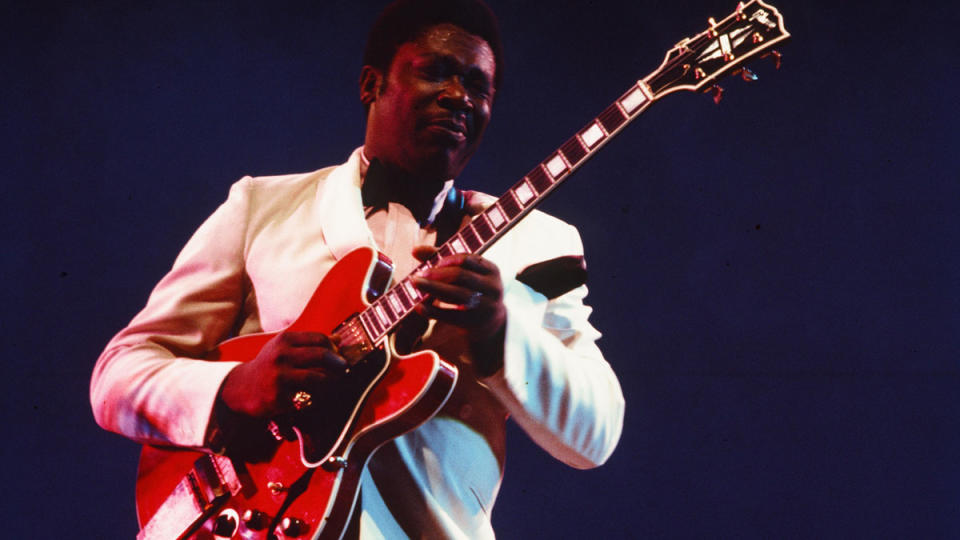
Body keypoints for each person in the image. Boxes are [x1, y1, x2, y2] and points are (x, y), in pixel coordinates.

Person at [91, 0, 624, 537]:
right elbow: (119, 372)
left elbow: (597, 435)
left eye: (477, 86)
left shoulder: (537, 246)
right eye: (436, 71)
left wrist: (500, 332)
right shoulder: (261, 207)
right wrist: (232, 388)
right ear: (372, 84)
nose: (459, 96)